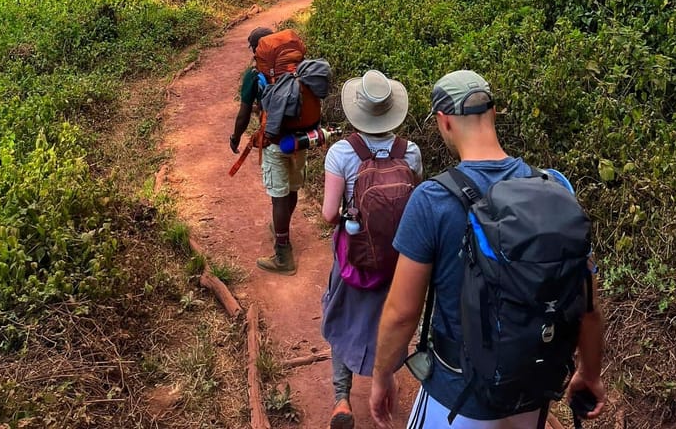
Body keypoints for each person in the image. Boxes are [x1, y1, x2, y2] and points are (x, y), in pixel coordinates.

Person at [369, 70, 606, 429]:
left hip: (457, 395)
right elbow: (588, 304)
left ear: (443, 122)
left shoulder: (432, 200)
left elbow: (402, 313)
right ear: (494, 113)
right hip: (533, 389)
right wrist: (590, 372)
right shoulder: (554, 186)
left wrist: (382, 374)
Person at [321, 70, 423, 429]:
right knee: (391, 318)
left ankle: (341, 400)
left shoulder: (341, 153)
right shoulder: (409, 151)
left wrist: (353, 219)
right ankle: (388, 382)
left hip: (355, 259)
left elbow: (328, 214)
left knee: (342, 319)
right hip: (398, 257)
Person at [229, 25, 307, 276]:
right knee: (292, 188)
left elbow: (243, 114)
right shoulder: (298, 69)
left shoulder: (255, 76)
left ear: (256, 50)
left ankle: (283, 254)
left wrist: (235, 137)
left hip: (274, 141)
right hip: (300, 139)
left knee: (278, 195)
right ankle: (281, 227)